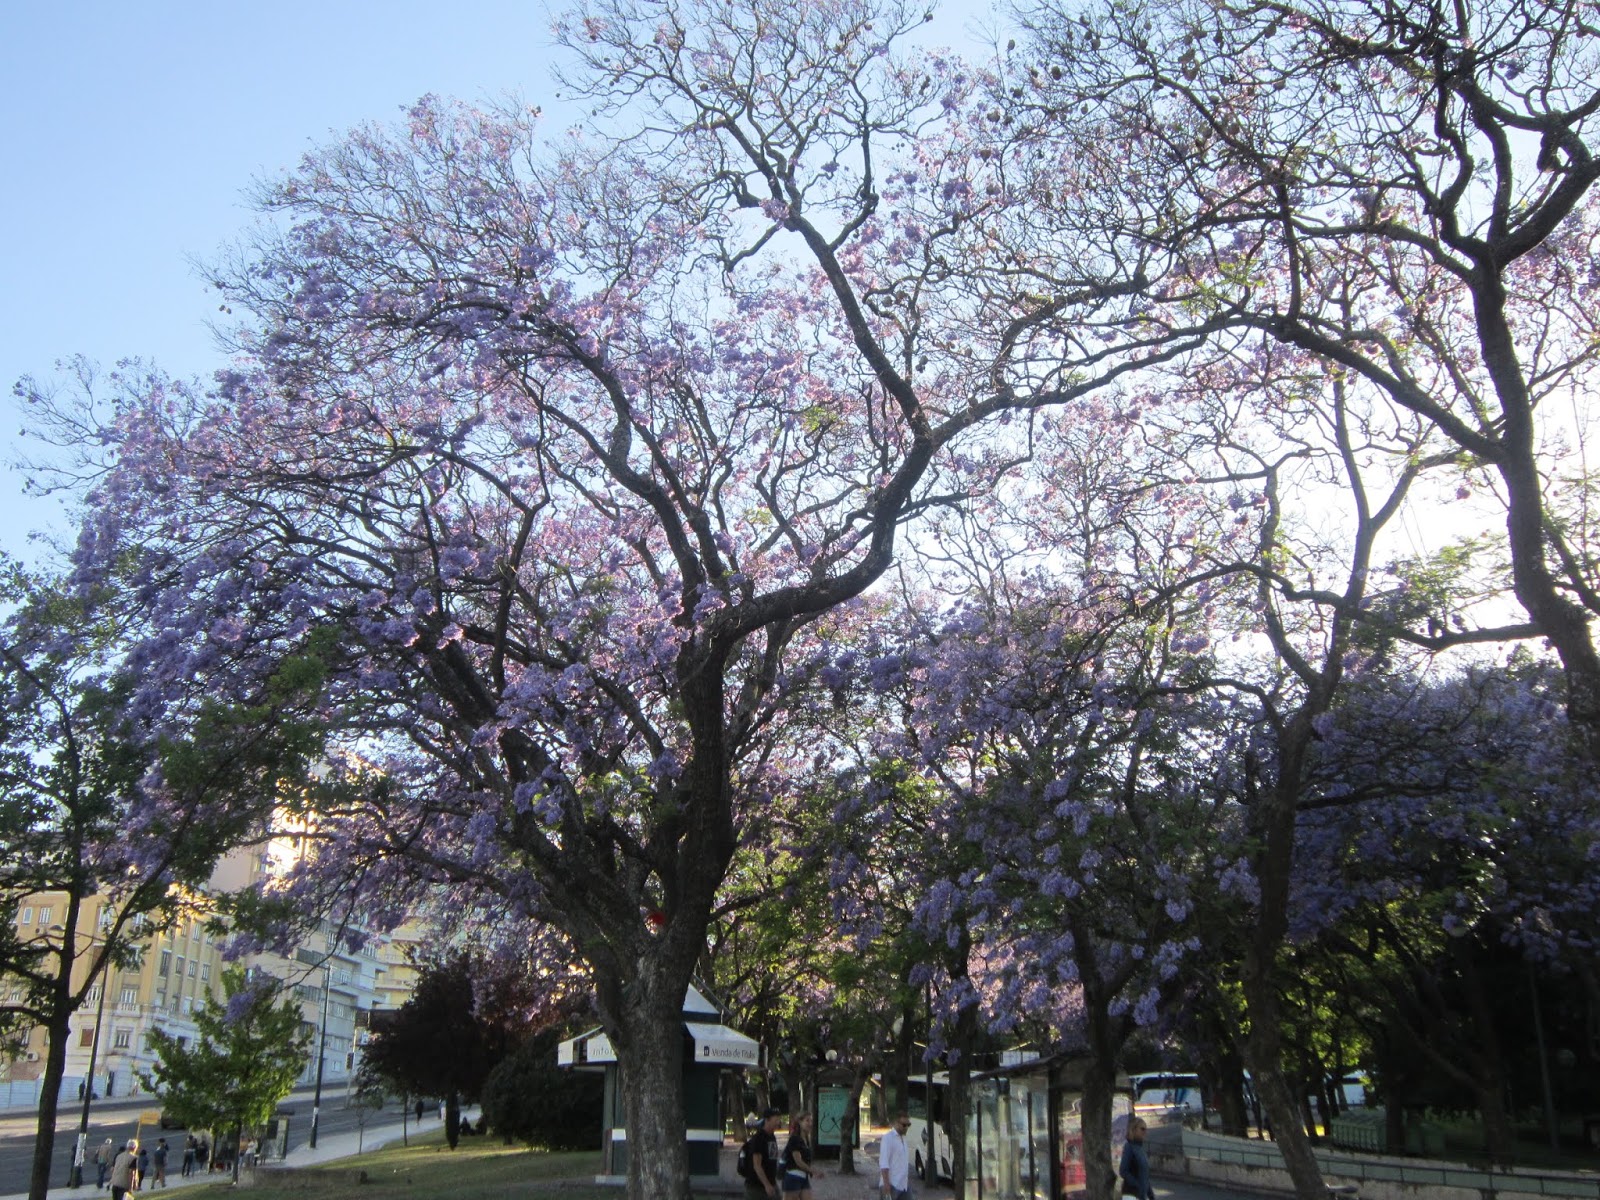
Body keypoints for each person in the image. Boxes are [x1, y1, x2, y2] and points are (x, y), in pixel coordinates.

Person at [742, 1107, 783, 1200]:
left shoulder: (772, 1137)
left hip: (771, 1183)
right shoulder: (759, 1138)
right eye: (776, 1120)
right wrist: (767, 1185)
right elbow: (757, 1165)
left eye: (779, 1119)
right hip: (756, 1187)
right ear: (767, 1120)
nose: (778, 1122)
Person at [781, 1112, 821, 1199]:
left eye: (811, 1121)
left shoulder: (806, 1140)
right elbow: (798, 1161)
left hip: (804, 1177)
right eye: (807, 1121)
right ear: (800, 1122)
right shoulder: (794, 1139)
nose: (810, 1123)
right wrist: (813, 1171)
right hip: (792, 1176)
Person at [1119, 1117, 1155, 1200]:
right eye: (1142, 1129)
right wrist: (1137, 1185)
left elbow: (1145, 1176)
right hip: (1131, 1194)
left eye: (1146, 1129)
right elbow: (1123, 1171)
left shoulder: (1140, 1149)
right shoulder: (1129, 1147)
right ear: (1133, 1129)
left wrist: (1151, 1195)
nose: (1145, 1132)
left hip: (1141, 1195)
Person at [879, 1111, 912, 1200]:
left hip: (903, 1185)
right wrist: (886, 1185)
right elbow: (884, 1163)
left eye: (908, 1125)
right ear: (896, 1123)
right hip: (891, 1185)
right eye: (904, 1125)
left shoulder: (904, 1139)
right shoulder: (888, 1138)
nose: (906, 1127)